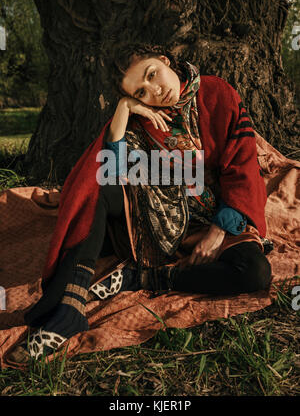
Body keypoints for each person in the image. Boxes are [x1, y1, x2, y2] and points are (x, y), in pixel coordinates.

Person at [9, 43, 272, 363]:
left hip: (214, 210)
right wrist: (123, 109)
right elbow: (111, 170)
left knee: (254, 273)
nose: (155, 91)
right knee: (98, 192)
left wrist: (219, 230)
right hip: (157, 209)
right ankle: (69, 306)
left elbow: (243, 166)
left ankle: (145, 278)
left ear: (164, 60)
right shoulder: (145, 117)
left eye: (152, 74)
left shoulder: (218, 94)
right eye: (141, 92)